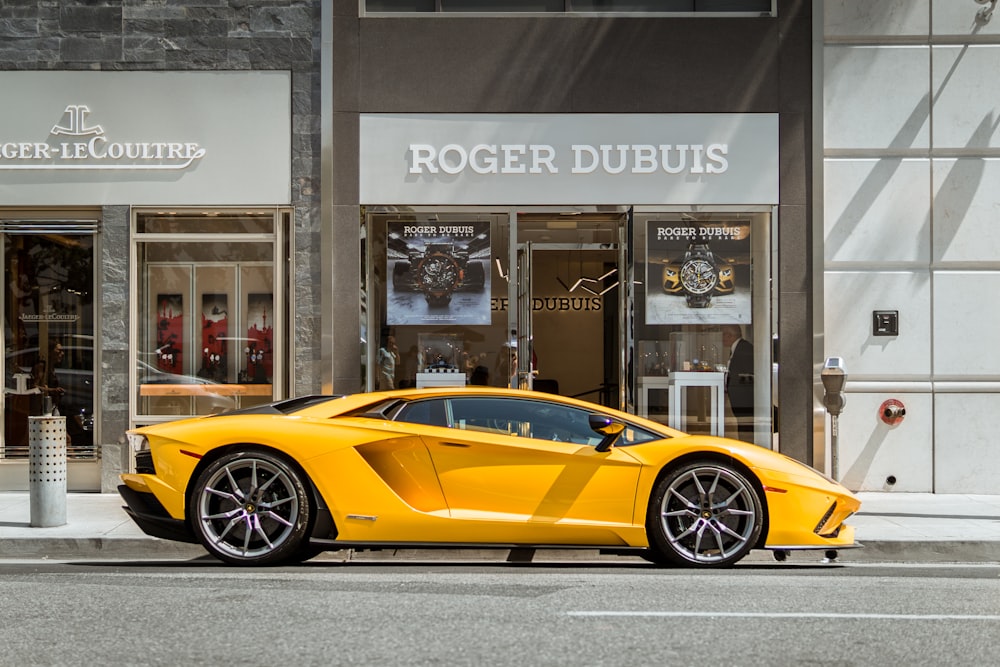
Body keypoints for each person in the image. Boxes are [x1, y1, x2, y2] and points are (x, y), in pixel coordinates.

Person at [721, 324, 754, 442]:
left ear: (730, 335)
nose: (722, 338)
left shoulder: (744, 349)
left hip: (745, 400)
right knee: (743, 425)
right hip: (741, 399)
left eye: (723, 335)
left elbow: (748, 375)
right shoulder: (738, 348)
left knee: (746, 427)